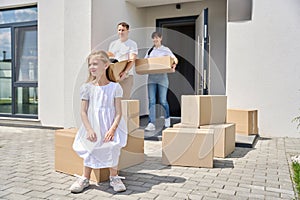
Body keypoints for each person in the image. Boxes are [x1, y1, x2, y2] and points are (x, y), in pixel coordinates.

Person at [70, 51, 127, 193]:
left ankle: (114, 177)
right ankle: (85, 178)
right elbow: (83, 112)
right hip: (92, 125)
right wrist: (89, 129)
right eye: (90, 64)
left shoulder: (115, 87)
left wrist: (112, 129)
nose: (92, 67)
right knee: (90, 147)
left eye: (95, 63)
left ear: (106, 65)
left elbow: (119, 112)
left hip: (110, 125)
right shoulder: (87, 88)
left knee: (113, 147)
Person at [144, 31, 178, 131]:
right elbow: (145, 62)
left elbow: (175, 59)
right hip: (151, 77)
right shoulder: (150, 51)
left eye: (157, 38)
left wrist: (174, 65)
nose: (155, 40)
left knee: (163, 100)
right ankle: (151, 123)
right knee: (152, 100)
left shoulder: (165, 50)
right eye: (153, 38)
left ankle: (167, 119)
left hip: (162, 77)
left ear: (161, 38)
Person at [108, 22, 138, 99]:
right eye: (119, 30)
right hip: (114, 77)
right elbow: (110, 59)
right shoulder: (113, 44)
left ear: (128, 31)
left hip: (126, 76)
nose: (121, 32)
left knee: (124, 99)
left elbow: (132, 60)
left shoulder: (132, 44)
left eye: (123, 30)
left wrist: (125, 72)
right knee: (113, 100)